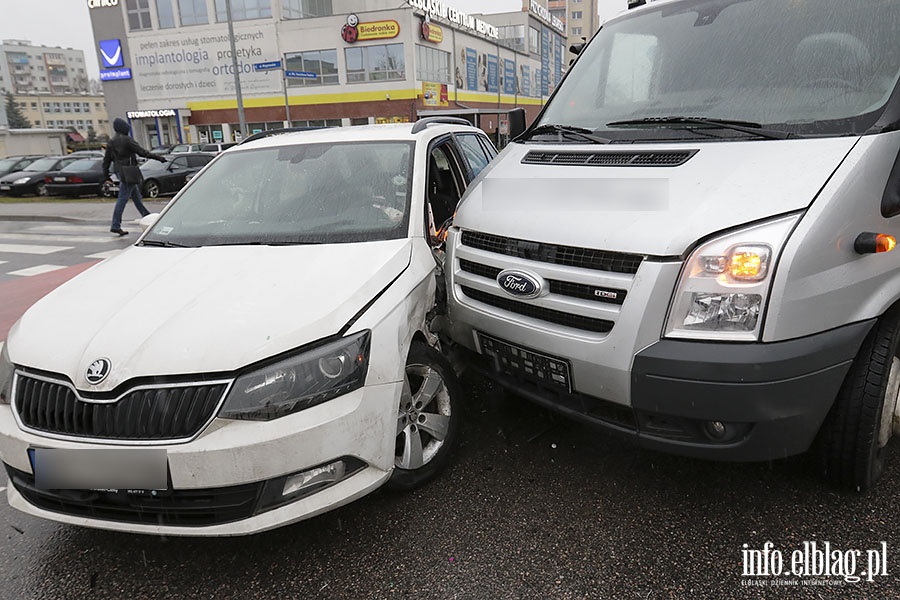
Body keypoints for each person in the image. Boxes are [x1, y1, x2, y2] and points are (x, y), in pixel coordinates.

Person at [102, 118, 167, 236]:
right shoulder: (127, 140)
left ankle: (148, 218)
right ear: (123, 128)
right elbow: (142, 152)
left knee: (136, 197)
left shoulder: (111, 142)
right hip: (129, 171)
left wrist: (106, 176)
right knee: (122, 198)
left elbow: (106, 160)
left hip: (119, 171)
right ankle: (115, 225)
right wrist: (159, 158)